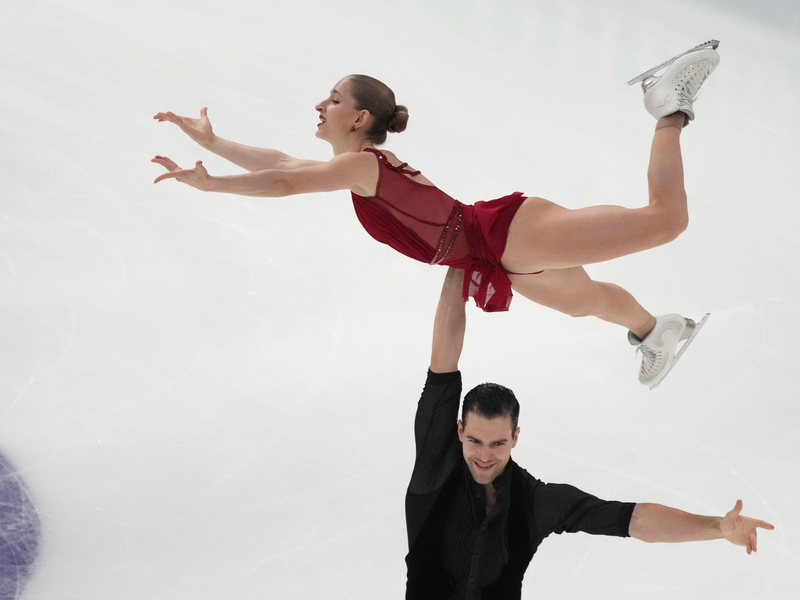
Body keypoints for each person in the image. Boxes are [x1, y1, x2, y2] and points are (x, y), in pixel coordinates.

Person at [152, 41, 719, 388]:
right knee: (587, 302)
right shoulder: (358, 164)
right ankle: (655, 332)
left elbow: (281, 181)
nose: (320, 105)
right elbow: (281, 162)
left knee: (665, 220)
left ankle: (666, 105)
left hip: (506, 234)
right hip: (497, 255)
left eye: (332, 98)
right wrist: (217, 143)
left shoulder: (359, 168)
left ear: (359, 118)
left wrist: (212, 187)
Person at [405, 266, 774, 600]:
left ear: (516, 437)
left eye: (498, 443)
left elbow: (632, 519)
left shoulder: (535, 504)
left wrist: (717, 526)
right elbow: (443, 365)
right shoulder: (436, 468)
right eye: (475, 441)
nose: (485, 455)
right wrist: (456, 262)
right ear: (458, 431)